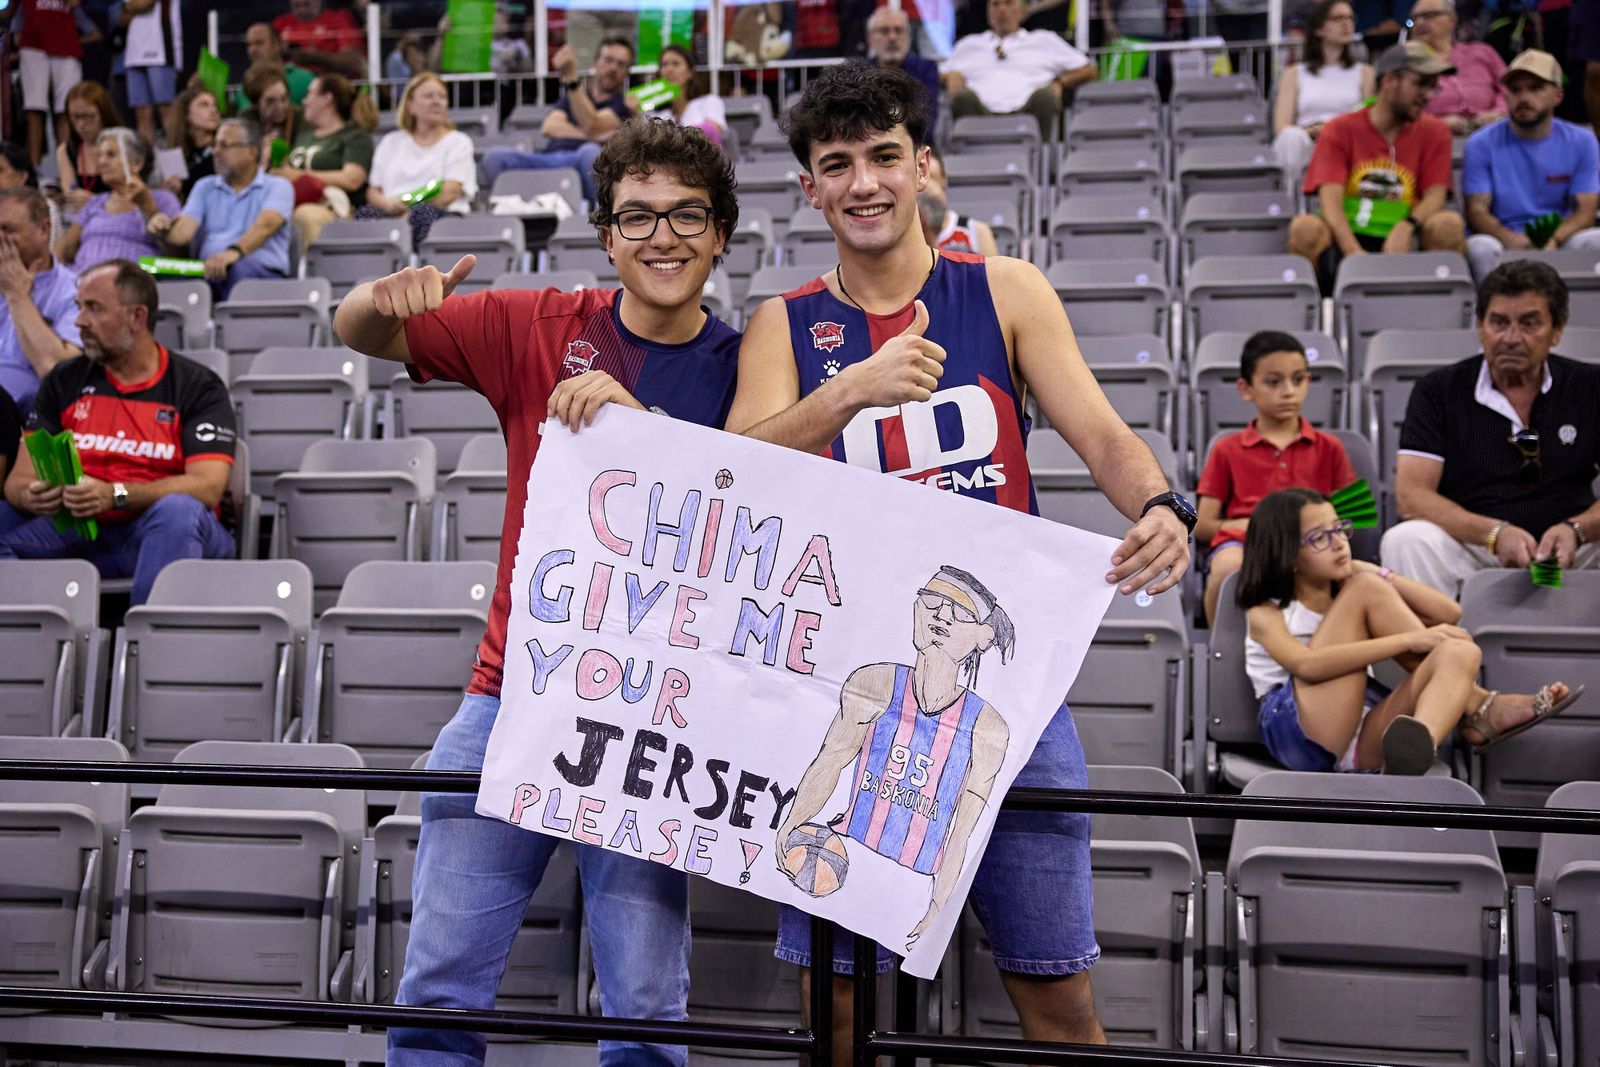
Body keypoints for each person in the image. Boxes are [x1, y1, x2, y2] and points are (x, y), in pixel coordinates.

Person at [726, 62, 1195, 1057]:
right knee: (835, 998)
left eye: (884, 156)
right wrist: (846, 391)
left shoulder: (1004, 289)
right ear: (809, 188)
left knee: (1055, 990)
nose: (863, 182)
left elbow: (1101, 434)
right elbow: (734, 473)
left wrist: (1161, 502)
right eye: (837, 164)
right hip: (854, 683)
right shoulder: (782, 321)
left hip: (1009, 697)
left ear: (924, 165)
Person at [334, 117, 743, 1067]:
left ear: (721, 233)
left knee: (646, 1012)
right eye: (637, 216)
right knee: (437, 990)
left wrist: (643, 425)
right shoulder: (540, 325)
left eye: (687, 215)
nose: (663, 237)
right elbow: (360, 332)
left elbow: (755, 497)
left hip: (651, 719)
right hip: (507, 697)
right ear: (606, 234)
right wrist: (377, 299)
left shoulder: (748, 366)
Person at [1239, 487, 1579, 775]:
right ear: (1287, 554)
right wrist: (1409, 638)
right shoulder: (1266, 610)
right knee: (1368, 591)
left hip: (1360, 735)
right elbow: (1307, 665)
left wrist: (1377, 571)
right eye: (1319, 538)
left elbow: (1449, 612)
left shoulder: (1351, 586)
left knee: (1459, 651)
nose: (1339, 543)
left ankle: (1417, 746)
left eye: (1339, 529)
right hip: (1299, 736)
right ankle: (1479, 707)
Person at [778, 566, 1014, 950]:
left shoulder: (988, 726)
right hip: (847, 856)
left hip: (915, 881)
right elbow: (830, 760)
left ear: (983, 637)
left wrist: (938, 903)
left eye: (961, 613)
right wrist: (791, 823)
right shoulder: (875, 682)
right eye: (932, 601)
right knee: (830, 971)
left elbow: (963, 829)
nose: (942, 616)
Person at [0, 257, 235, 599]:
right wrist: (32, 495)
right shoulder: (64, 381)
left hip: (161, 531)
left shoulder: (197, 386)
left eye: (94, 308)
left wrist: (116, 495)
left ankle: (152, 631)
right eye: (79, 307)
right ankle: (26, 629)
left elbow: (207, 487)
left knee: (178, 510)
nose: (79, 321)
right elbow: (17, 482)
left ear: (137, 316)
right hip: (80, 532)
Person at [1381, 259, 1600, 594]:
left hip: (1571, 547)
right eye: (1499, 322)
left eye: (1529, 324)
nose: (1511, 338)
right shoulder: (1439, 390)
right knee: (1407, 540)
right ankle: (1438, 631)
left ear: (1557, 330)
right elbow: (1412, 496)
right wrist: (1492, 534)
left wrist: (1577, 530)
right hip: (1474, 547)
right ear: (1480, 326)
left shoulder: (1590, 386)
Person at [1195, 331, 1358, 627]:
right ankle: (1220, 651)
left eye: (1298, 380)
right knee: (1227, 566)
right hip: (1244, 545)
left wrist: (1316, 533)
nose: (1288, 391)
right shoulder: (1226, 449)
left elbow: (1356, 515)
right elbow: (1204, 525)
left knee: (1356, 575)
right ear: (1246, 388)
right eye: (1273, 382)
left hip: (1313, 546)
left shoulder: (1330, 447)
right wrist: (1251, 527)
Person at [1287, 42, 1466, 265]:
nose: (1428, 95)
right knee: (1304, 229)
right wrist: (1355, 255)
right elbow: (1330, 202)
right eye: (1420, 84)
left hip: (1408, 234)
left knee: (1448, 225)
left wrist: (1407, 226)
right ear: (1390, 80)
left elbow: (1436, 195)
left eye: (1432, 87)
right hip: (1347, 234)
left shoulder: (1436, 131)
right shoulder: (1339, 129)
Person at [1462, 48, 1600, 281]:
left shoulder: (1582, 141)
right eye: (1516, 90)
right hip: (1503, 238)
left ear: (1558, 95)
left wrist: (1554, 238)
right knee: (1480, 247)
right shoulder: (1480, 143)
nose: (1524, 98)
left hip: (1561, 238)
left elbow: (1585, 211)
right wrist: (1510, 239)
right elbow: (1477, 211)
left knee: (1596, 240)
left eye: (1535, 88)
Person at [147, 118, 293, 298]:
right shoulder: (205, 186)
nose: (215, 152)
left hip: (260, 275)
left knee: (235, 271)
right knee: (151, 276)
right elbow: (184, 230)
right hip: (208, 272)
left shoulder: (278, 186)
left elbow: (266, 226)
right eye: (215, 145)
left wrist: (233, 253)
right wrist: (163, 228)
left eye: (224, 145)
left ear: (252, 152)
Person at [481, 39, 637, 203]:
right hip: (548, 158)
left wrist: (571, 78)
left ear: (626, 73)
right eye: (608, 60)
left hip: (582, 161)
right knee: (494, 157)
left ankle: (599, 214)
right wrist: (592, 136)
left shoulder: (623, 104)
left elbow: (592, 124)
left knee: (591, 154)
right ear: (595, 63)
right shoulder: (572, 97)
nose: (613, 68)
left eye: (621, 64)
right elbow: (549, 127)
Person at [940, 0, 1096, 140]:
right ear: (988, 13)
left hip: (1028, 114)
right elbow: (938, 73)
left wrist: (1060, 82)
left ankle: (1042, 156)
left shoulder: (1043, 40)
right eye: (995, 4)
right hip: (980, 115)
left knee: (1045, 97)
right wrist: (950, 76)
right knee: (963, 98)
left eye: (1009, 3)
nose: (1002, 9)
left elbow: (1089, 70)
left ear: (1022, 11)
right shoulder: (969, 45)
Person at [355, 72, 475, 246]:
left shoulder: (459, 142)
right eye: (428, 96)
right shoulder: (391, 142)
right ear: (410, 105)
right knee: (366, 214)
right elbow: (373, 191)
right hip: (392, 212)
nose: (437, 101)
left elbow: (450, 191)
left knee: (422, 214)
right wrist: (389, 206)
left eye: (442, 96)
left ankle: (421, 261)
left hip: (441, 215)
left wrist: (408, 207)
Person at [1272, 0, 1376, 185]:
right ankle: (1290, 196)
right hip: (1307, 140)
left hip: (1348, 140)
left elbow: (1370, 118)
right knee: (1290, 137)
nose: (1346, 24)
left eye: (1350, 18)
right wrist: (1312, 130)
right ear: (1319, 29)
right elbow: (1282, 126)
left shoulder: (1365, 72)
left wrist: (1332, 129)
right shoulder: (1293, 74)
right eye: (1338, 18)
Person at [0, 187, 82, 414]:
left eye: (8, 229)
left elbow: (53, 369)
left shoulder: (77, 292)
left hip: (26, 420)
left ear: (44, 230)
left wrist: (17, 295)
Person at [273, 73, 376, 250]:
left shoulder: (354, 137)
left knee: (306, 215)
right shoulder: (304, 136)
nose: (305, 101)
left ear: (327, 98)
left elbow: (352, 179)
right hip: (292, 201)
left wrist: (300, 175)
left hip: (332, 207)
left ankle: (310, 266)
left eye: (310, 94)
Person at [56, 128, 180, 271]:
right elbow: (64, 251)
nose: (101, 162)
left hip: (131, 281)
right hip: (81, 278)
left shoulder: (163, 199)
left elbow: (177, 253)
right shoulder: (95, 203)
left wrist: (149, 208)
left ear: (137, 163)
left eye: (111, 155)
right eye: (99, 156)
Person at [1405, 0, 1506, 134]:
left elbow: (1509, 88)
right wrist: (1437, 124)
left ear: (1452, 20)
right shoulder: (1406, 62)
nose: (1420, 22)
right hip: (1434, 137)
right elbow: (1398, 110)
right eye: (1414, 18)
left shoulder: (1482, 52)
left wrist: (1498, 113)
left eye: (1429, 15)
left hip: (1493, 133)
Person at [13, 0, 86, 168]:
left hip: (66, 43)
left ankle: (67, 169)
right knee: (34, 110)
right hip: (33, 44)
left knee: (66, 111)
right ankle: (34, 170)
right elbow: (7, 9)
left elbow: (75, 2)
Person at [628, 44, 726, 145]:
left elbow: (713, 132)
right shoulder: (656, 114)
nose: (669, 69)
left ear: (690, 72)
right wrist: (635, 112)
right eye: (664, 65)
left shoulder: (709, 102)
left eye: (676, 64)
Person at [866, 6, 941, 139]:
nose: (892, 37)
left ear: (908, 36)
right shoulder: (859, 72)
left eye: (899, 30)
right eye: (884, 31)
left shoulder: (925, 69)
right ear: (870, 38)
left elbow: (927, 119)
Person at [118, 0, 183, 147]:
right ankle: (147, 157)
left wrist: (131, 7)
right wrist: (130, 7)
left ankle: (176, 156)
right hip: (134, 54)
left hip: (161, 52)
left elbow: (144, 3)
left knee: (167, 111)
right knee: (142, 114)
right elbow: (122, 19)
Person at [918, 145, 1000, 255]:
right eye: (919, 176)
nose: (926, 187)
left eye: (931, 177)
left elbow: (991, 266)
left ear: (944, 179)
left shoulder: (977, 231)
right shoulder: (904, 236)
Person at [57, 81, 119, 214]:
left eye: (89, 117)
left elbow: (131, 196)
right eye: (75, 117)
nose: (81, 125)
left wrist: (95, 201)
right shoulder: (66, 151)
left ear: (104, 114)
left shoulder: (122, 146)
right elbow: (70, 194)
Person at [273, 0, 366, 79]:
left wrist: (317, 57)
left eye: (306, 2)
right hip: (287, 81)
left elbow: (354, 63)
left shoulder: (339, 19)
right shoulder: (280, 23)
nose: (301, 2)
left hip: (329, 82)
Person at [234, 22, 314, 108]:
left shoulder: (304, 80)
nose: (252, 50)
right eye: (249, 45)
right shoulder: (246, 85)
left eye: (259, 43)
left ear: (278, 45)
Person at [163, 83, 220, 200]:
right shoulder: (174, 156)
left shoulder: (224, 150)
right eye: (204, 105)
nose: (214, 110)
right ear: (186, 114)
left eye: (214, 105)